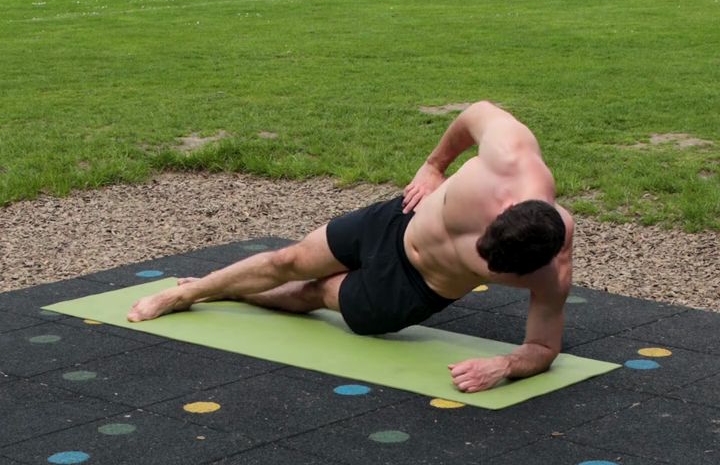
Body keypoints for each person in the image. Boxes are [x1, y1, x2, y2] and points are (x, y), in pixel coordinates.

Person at [128, 101, 574, 393]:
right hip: (396, 223)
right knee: (291, 259)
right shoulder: (510, 153)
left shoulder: (551, 269)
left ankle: (228, 289)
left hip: (410, 290)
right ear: (501, 213)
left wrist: (504, 366)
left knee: (313, 293)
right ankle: (186, 293)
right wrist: (434, 165)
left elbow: (543, 347)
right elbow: (477, 111)